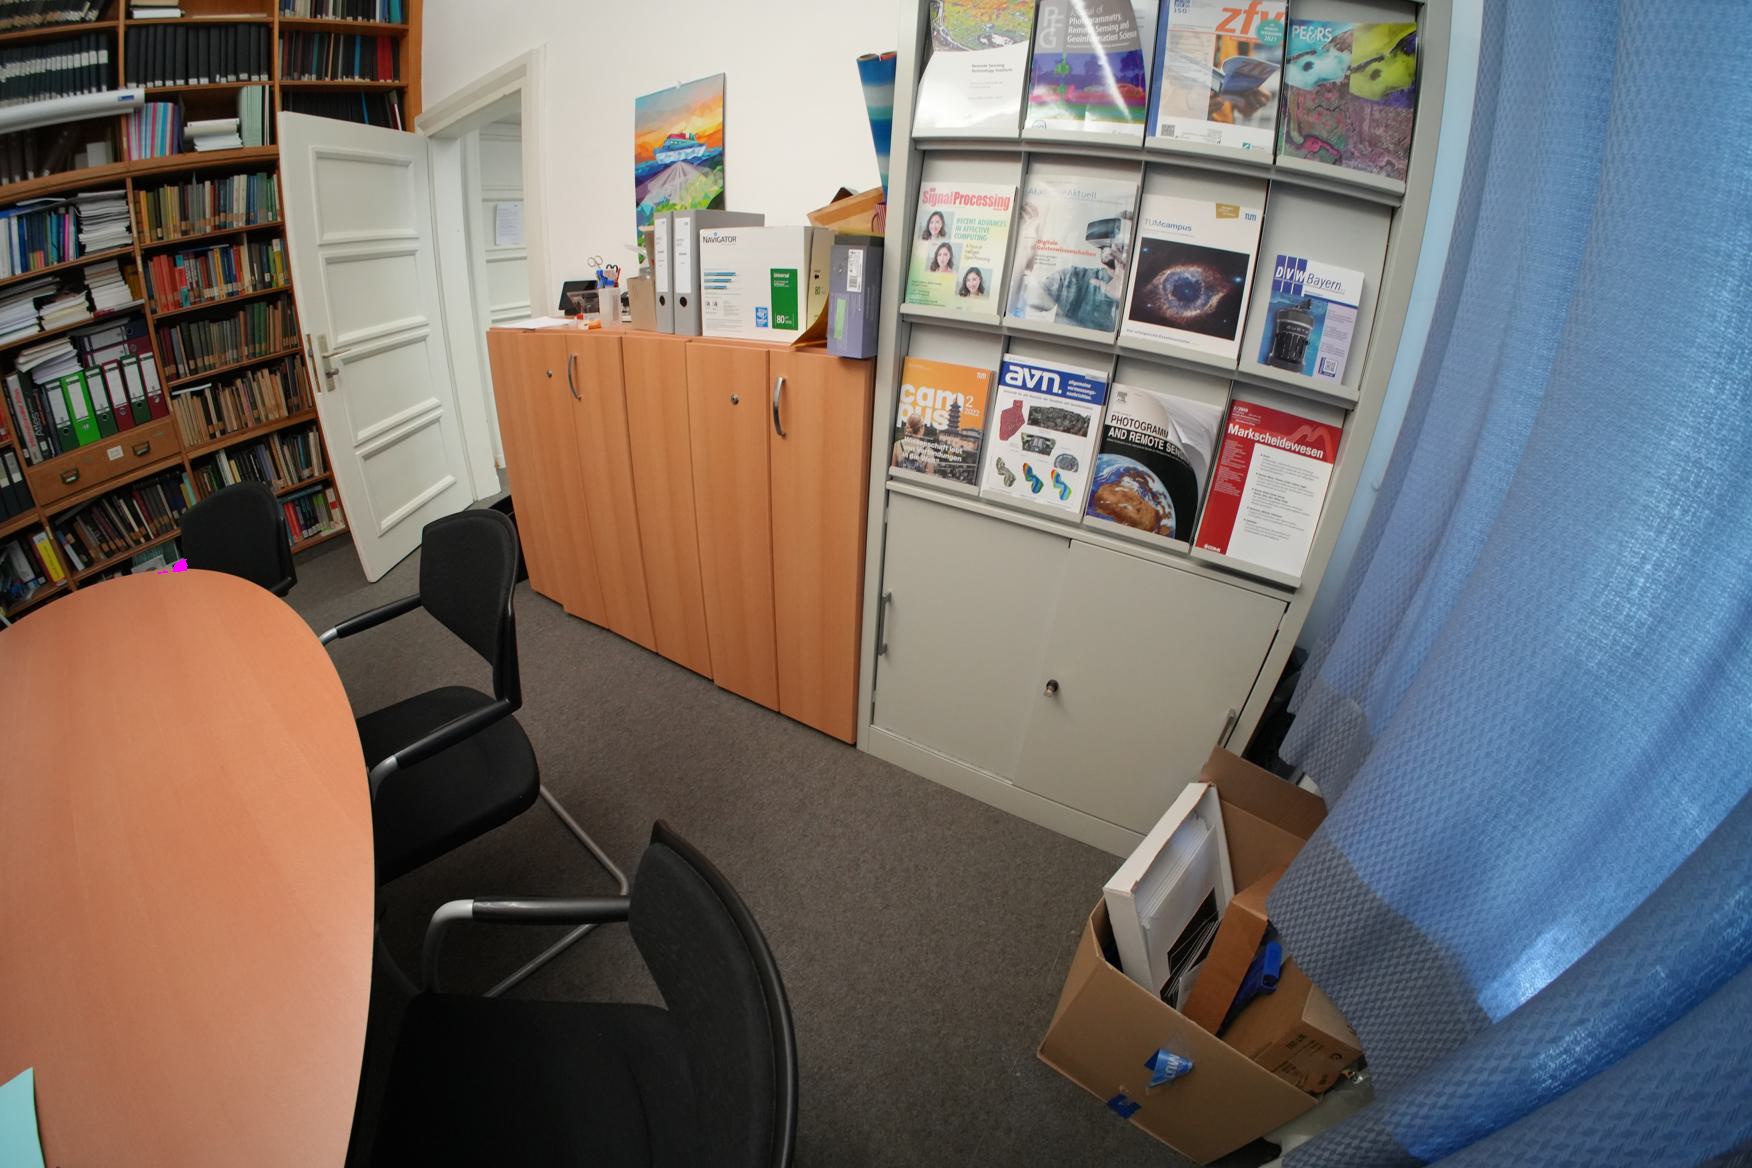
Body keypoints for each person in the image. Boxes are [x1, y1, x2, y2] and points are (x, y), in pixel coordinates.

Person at [891, 411, 937, 475]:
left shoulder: (897, 444)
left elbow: (892, 471)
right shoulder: (929, 451)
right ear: (921, 428)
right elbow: (930, 476)